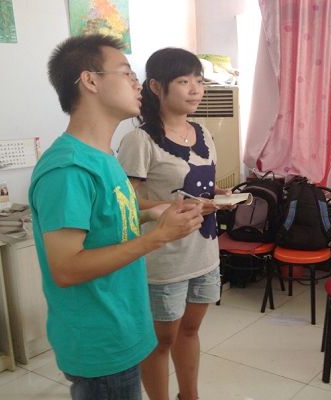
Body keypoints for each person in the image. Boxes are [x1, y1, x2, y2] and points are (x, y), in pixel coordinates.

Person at [29, 35, 204, 400]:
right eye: (126, 73)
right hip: (100, 341)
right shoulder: (68, 168)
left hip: (123, 323)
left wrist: (153, 211)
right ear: (90, 81)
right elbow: (66, 268)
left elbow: (107, 219)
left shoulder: (102, 156)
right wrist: (158, 236)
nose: (137, 84)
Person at [117, 48, 230, 400]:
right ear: (156, 86)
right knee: (161, 340)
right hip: (164, 261)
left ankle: (189, 396)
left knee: (190, 331)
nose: (196, 89)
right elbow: (125, 204)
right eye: (184, 81)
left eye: (199, 81)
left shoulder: (203, 132)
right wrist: (174, 206)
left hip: (204, 253)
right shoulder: (140, 140)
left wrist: (218, 195)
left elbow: (193, 186)